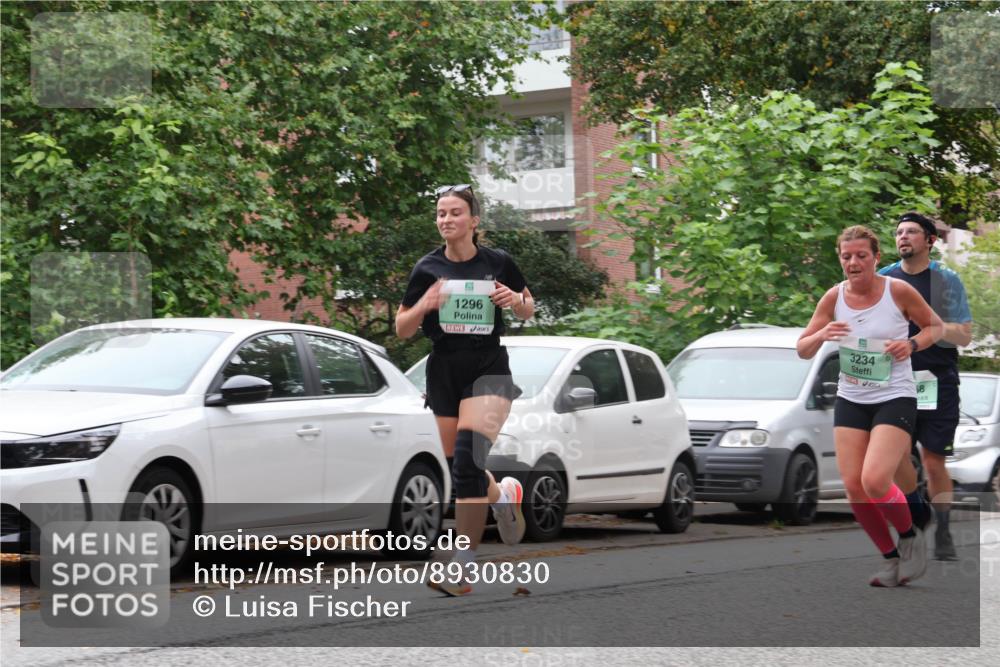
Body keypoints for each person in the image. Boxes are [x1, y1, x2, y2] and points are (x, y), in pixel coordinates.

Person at [396, 184, 534, 596]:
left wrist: (514, 300)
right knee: (463, 467)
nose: (446, 220)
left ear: (474, 221)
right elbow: (402, 329)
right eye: (441, 213)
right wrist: (425, 305)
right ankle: (502, 496)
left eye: (455, 213)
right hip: (443, 370)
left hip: (488, 367)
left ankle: (462, 566)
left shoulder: (498, 262)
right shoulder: (426, 269)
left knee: (469, 461)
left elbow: (528, 305)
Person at [798, 225, 943, 587]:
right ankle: (891, 559)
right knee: (854, 488)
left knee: (875, 479)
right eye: (846, 256)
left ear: (876, 258)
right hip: (852, 397)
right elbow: (803, 348)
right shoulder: (834, 298)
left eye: (861, 255)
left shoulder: (898, 291)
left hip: (895, 394)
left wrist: (910, 346)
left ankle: (910, 537)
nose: (853, 262)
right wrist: (822, 333)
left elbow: (934, 328)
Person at [880, 212, 973, 560]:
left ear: (930, 240)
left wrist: (929, 329)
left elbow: (964, 335)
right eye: (899, 231)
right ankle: (918, 513)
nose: (903, 237)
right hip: (894, 382)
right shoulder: (885, 279)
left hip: (938, 382)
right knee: (897, 458)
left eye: (912, 232)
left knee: (932, 462)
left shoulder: (946, 281)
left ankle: (944, 531)